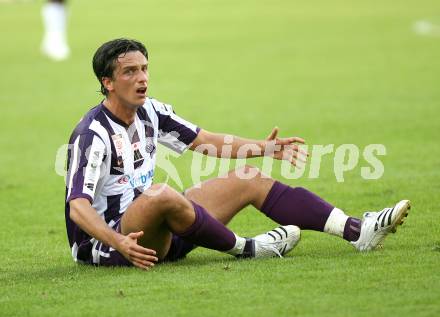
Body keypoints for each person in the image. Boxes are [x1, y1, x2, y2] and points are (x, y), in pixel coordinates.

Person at [64, 38, 410, 269]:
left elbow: (206, 140)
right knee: (160, 194)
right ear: (108, 82)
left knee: (249, 180)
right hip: (110, 246)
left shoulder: (151, 111)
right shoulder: (92, 133)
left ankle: (357, 231)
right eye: (130, 72)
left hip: (161, 230)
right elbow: (78, 207)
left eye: (144, 69)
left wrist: (264, 148)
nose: (142, 78)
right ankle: (250, 248)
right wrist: (119, 242)